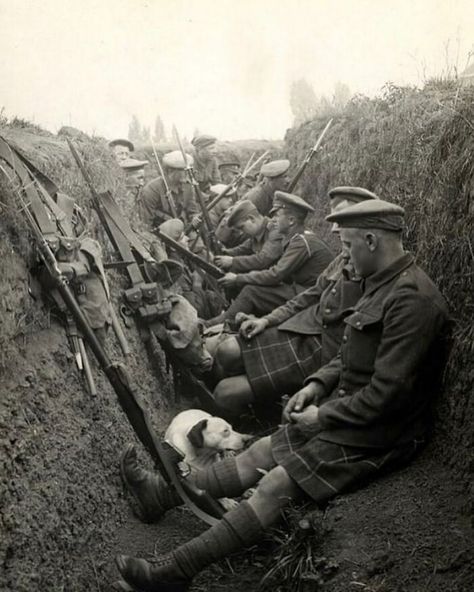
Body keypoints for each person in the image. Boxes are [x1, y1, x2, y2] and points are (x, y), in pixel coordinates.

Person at [116, 199, 451, 591]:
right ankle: (160, 496)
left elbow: (388, 395)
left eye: (348, 245)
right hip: (352, 409)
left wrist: (322, 417)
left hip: (381, 431)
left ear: (372, 240)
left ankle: (173, 572)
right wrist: (316, 385)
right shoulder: (380, 283)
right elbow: (348, 354)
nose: (344, 257)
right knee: (260, 451)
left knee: (275, 483)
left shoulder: (411, 300)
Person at [210, 187, 377, 414]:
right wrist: (267, 321)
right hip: (304, 325)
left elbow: (276, 273)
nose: (335, 229)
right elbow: (311, 294)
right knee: (226, 352)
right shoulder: (341, 259)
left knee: (225, 389)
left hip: (320, 347)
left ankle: (256, 410)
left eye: (342, 223)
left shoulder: (377, 277)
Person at [211, 191, 334, 325]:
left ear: (291, 221)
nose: (273, 220)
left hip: (312, 295)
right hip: (306, 290)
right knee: (251, 286)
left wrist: (238, 278)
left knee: (251, 291)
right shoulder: (298, 238)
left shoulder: (301, 242)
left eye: (277, 215)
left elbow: (276, 274)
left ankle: (219, 323)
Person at [214, 199, 284, 274]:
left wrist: (232, 261)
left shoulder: (275, 231)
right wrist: (224, 252)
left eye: (242, 227)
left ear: (251, 218)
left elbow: (263, 259)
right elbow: (243, 249)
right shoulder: (257, 233)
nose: (241, 232)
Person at [137, 150, 200, 230]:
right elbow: (146, 224)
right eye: (183, 170)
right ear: (170, 171)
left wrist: (194, 218)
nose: (188, 173)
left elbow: (192, 211)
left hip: (185, 228)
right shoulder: (152, 190)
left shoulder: (188, 186)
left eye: (189, 170)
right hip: (162, 233)